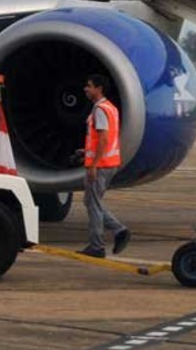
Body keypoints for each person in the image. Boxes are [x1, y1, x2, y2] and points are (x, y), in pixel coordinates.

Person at [78, 73, 129, 258]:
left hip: (101, 165)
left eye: (89, 85)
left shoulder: (99, 109)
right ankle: (119, 231)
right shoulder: (111, 108)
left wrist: (94, 164)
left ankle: (98, 245)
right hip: (109, 162)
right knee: (91, 202)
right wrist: (86, 152)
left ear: (99, 89)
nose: (86, 89)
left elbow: (104, 137)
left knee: (93, 204)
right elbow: (105, 138)